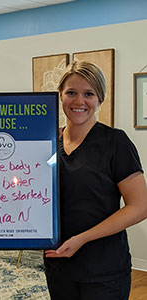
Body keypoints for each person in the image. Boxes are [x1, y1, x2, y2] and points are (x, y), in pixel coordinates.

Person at [44, 61, 147, 300]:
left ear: (100, 99)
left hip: (104, 271)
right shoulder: (47, 142)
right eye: (71, 92)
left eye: (88, 94)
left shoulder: (116, 143)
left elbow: (140, 207)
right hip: (58, 265)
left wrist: (82, 239)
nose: (79, 101)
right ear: (61, 95)